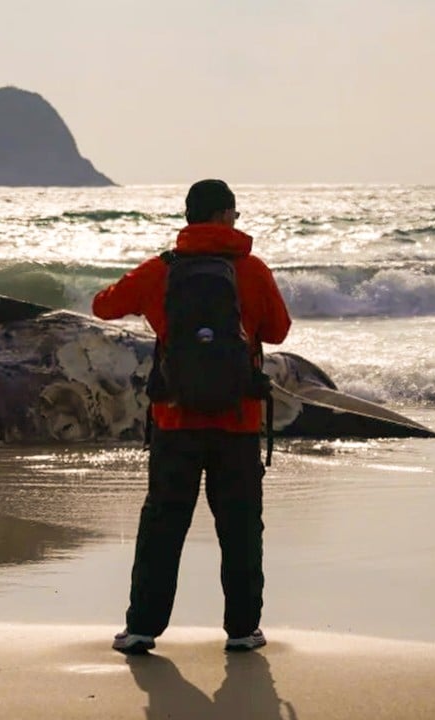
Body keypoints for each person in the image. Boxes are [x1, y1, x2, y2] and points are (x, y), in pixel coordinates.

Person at [92, 179, 291, 654]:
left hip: (175, 419)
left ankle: (142, 628)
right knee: (240, 527)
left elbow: (103, 306)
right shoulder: (252, 270)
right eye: (234, 216)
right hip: (238, 421)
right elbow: (280, 331)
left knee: (163, 524)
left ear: (188, 218)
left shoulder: (162, 270)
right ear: (224, 216)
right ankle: (242, 631)